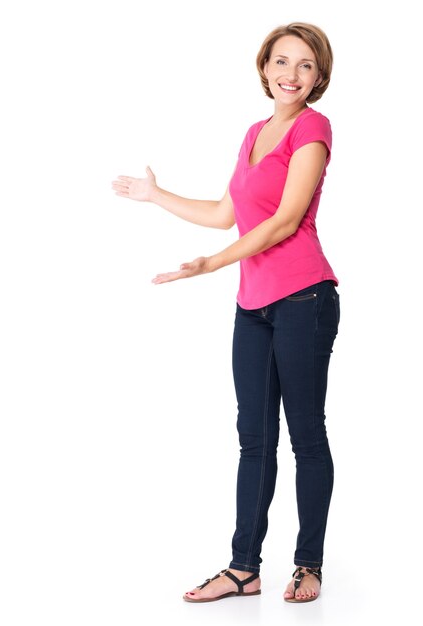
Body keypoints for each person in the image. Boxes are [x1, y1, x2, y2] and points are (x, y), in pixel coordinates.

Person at [112, 22, 340, 604]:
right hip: (254, 304)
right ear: (264, 67)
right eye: (282, 62)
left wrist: (213, 264)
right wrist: (156, 196)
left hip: (304, 300)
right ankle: (244, 568)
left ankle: (308, 564)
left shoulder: (312, 129)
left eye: (305, 65)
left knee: (305, 435)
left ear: (318, 77)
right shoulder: (255, 133)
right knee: (254, 439)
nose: (291, 74)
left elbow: (285, 221)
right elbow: (224, 212)